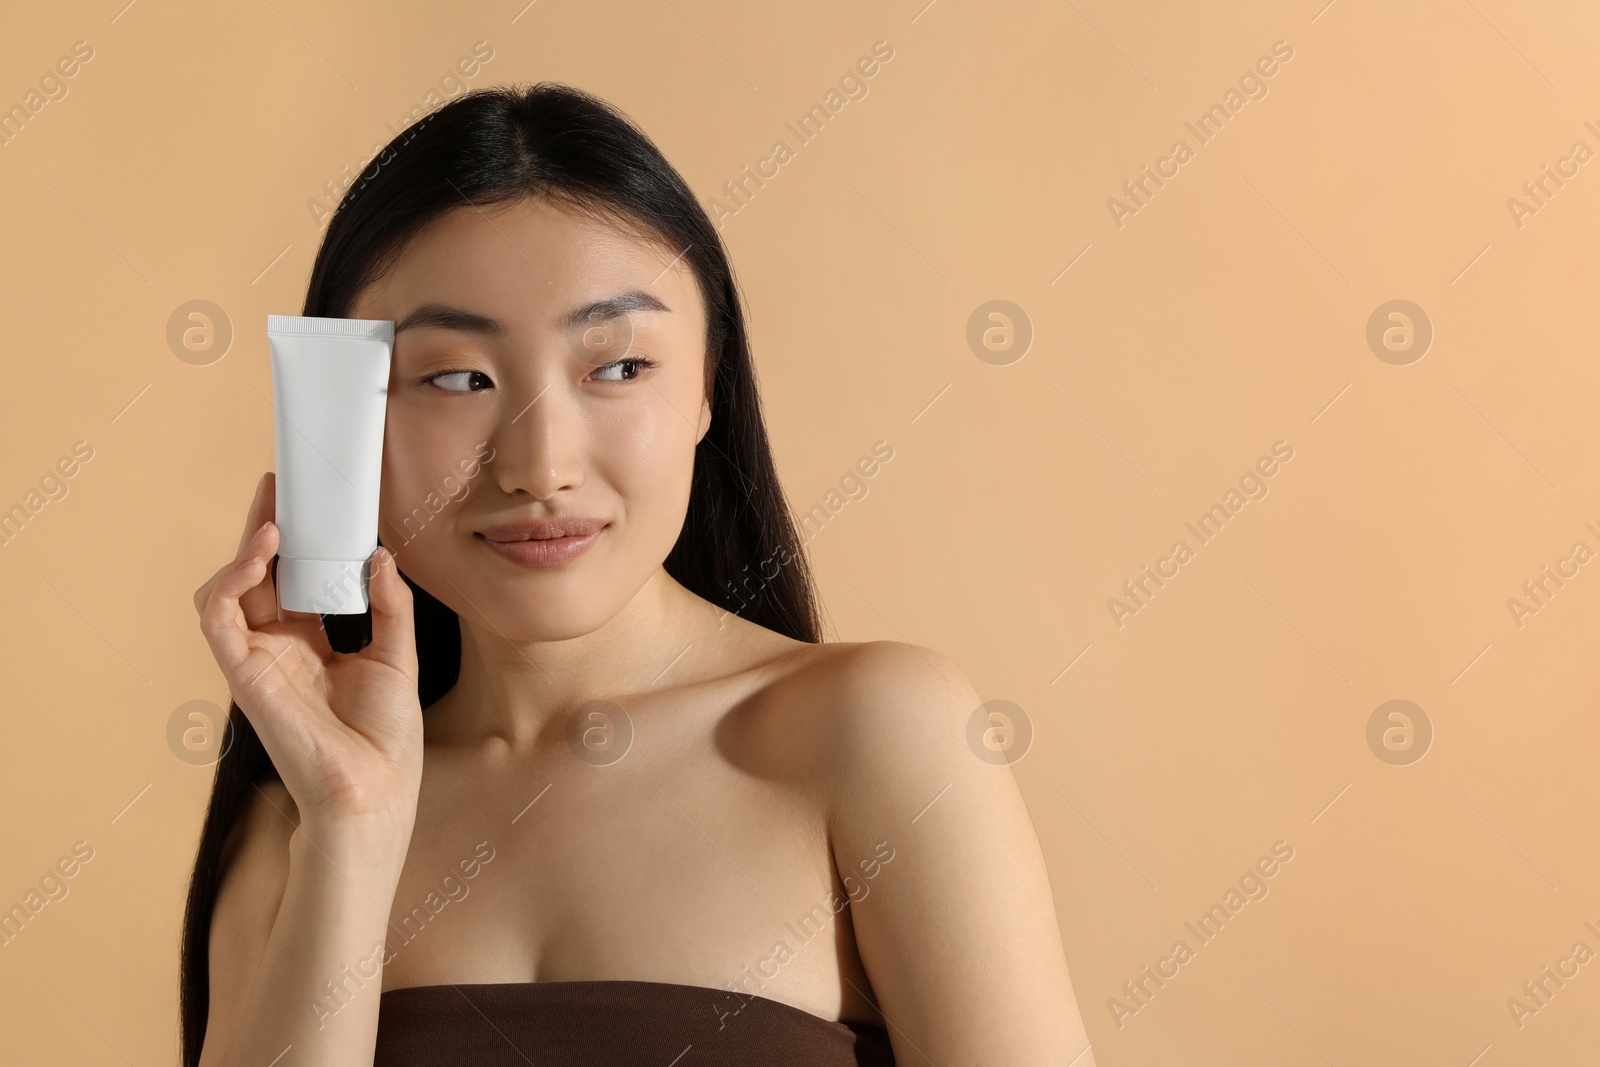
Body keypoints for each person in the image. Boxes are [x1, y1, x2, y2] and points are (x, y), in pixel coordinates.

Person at [183, 82, 1093, 1066]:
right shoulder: (299, 822)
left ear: (707, 387)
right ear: (345, 424)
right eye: (456, 377)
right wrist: (352, 830)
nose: (538, 466)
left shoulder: (872, 730)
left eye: (617, 367)